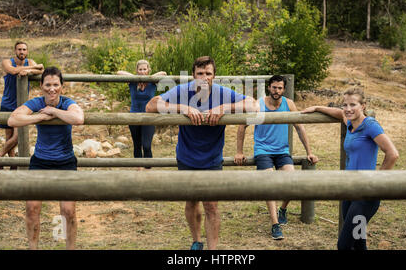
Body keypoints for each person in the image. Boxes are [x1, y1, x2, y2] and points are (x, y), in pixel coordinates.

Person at [146, 56, 258, 250]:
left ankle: (212, 250)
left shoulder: (222, 93)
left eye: (208, 73)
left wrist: (225, 108)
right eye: (200, 74)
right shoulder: (183, 91)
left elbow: (254, 105)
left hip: (212, 157)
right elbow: (151, 105)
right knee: (191, 201)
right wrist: (183, 109)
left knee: (211, 205)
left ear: (214, 76)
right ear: (193, 75)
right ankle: (196, 241)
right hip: (187, 155)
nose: (204, 78)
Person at [302, 87, 399, 250]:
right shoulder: (350, 123)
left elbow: (393, 154)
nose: (348, 109)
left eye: (353, 105)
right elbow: (339, 114)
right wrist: (317, 108)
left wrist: (377, 183)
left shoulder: (370, 125)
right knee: (359, 241)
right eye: (345, 105)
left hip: (365, 195)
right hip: (349, 190)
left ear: (363, 106)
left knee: (344, 244)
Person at [8, 67, 84, 250]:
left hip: (65, 161)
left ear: (62, 87)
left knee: (68, 211)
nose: (52, 89)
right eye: (48, 85)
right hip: (40, 161)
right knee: (32, 208)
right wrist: (40, 117)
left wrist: (55, 112)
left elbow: (78, 118)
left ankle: (70, 248)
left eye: (56, 85)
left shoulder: (66, 102)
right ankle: (33, 247)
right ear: (41, 86)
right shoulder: (37, 103)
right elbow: (13, 120)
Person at [234, 75, 319, 240]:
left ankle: (283, 210)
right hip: (263, 150)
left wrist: (309, 151)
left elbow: (300, 128)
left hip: (282, 150)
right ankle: (275, 224)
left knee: (292, 182)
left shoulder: (289, 104)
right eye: (274, 87)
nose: (277, 91)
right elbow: (241, 126)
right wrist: (239, 151)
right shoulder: (258, 104)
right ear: (269, 87)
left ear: (284, 89)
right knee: (270, 182)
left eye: (280, 88)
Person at [0, 41, 44, 169]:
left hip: (22, 105)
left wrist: (29, 70)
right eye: (19, 49)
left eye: (24, 49)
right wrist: (31, 70)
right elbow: (13, 71)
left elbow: (42, 69)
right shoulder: (7, 62)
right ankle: (13, 164)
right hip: (7, 103)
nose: (22, 52)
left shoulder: (30, 61)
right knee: (9, 136)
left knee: (17, 137)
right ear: (15, 51)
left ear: (27, 51)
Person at [117, 60, 166, 163]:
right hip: (133, 117)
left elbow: (163, 73)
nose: (143, 71)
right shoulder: (132, 82)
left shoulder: (153, 82)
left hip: (149, 117)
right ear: (137, 70)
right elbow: (119, 72)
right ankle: (139, 171)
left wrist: (148, 79)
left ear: (148, 70)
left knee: (147, 146)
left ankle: (148, 171)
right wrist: (136, 78)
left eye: (145, 69)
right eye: (140, 69)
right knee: (137, 146)